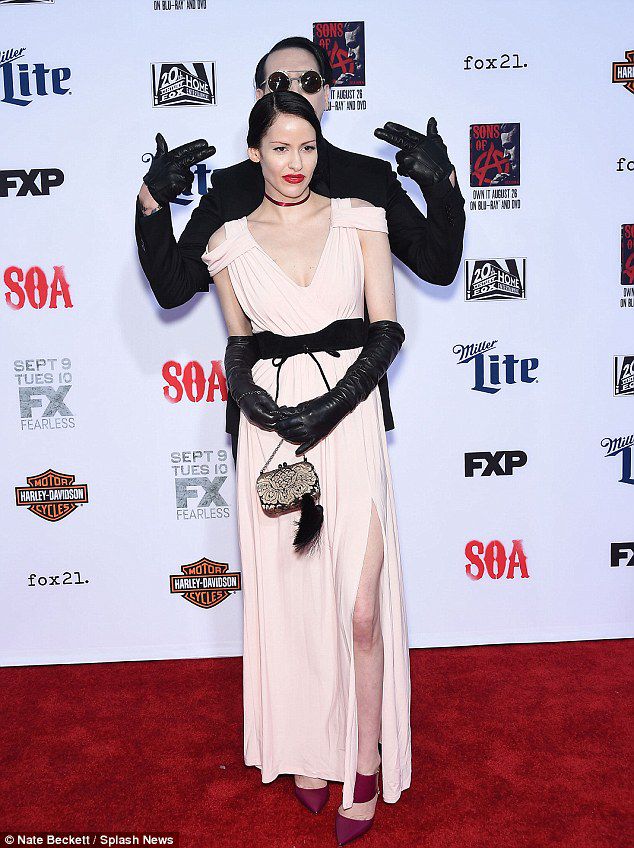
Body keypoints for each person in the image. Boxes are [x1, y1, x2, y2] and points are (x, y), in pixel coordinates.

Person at [200, 89, 410, 845]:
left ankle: (365, 762)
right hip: (276, 436)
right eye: (280, 148)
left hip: (349, 424)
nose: (296, 163)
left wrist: (334, 404)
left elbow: (386, 329)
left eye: (308, 147)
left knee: (360, 609)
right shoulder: (228, 243)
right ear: (253, 152)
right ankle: (311, 747)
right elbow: (239, 342)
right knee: (296, 603)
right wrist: (255, 400)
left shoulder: (359, 219)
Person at [135, 35, 466, 465]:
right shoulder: (231, 188)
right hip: (265, 416)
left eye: (308, 81)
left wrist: (443, 188)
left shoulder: (369, 178)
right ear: (260, 97)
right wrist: (151, 205)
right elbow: (173, 289)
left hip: (352, 409)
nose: (294, 90)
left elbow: (437, 267)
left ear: (327, 94)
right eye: (278, 82)